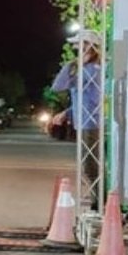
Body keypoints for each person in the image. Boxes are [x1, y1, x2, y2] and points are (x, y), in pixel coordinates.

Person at [50, 29, 102, 209]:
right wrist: (66, 113)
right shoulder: (85, 71)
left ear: (90, 47)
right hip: (84, 122)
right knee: (89, 165)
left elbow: (59, 86)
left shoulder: (92, 71)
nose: (76, 50)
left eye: (80, 46)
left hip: (92, 123)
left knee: (90, 166)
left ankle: (101, 201)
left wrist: (73, 64)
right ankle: (99, 200)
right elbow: (65, 90)